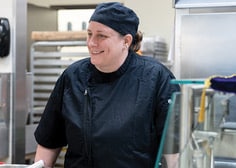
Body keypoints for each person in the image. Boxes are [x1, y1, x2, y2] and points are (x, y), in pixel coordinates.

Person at [34, 2, 180, 168]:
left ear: (126, 41)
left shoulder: (156, 78)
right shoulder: (73, 77)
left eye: (101, 36)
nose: (91, 43)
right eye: (89, 34)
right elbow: (49, 142)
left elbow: (174, 154)